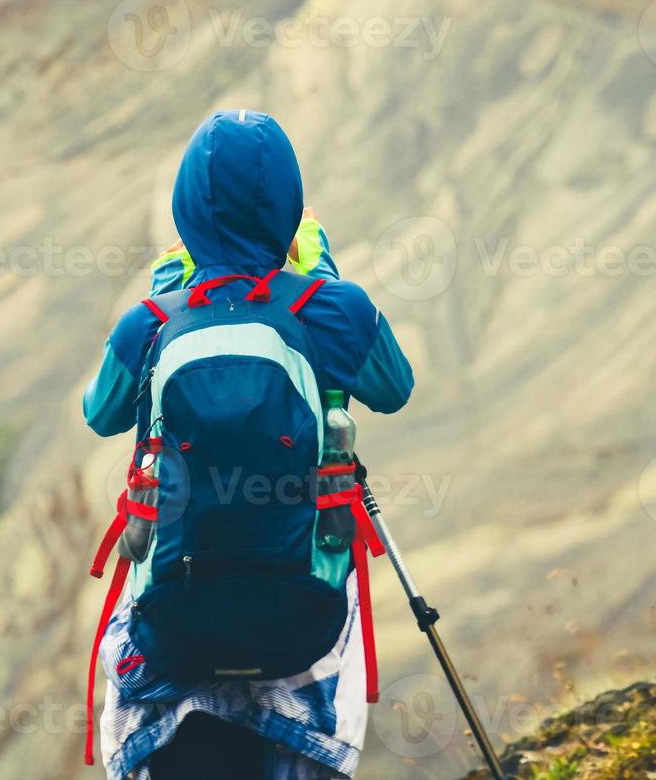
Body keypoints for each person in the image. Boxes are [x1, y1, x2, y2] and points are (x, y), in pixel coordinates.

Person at [82, 109, 414, 779]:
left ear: (184, 213)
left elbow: (101, 413)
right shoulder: (329, 309)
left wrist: (167, 293)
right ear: (288, 209)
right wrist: (322, 271)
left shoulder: (149, 323)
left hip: (175, 622)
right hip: (303, 621)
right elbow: (393, 386)